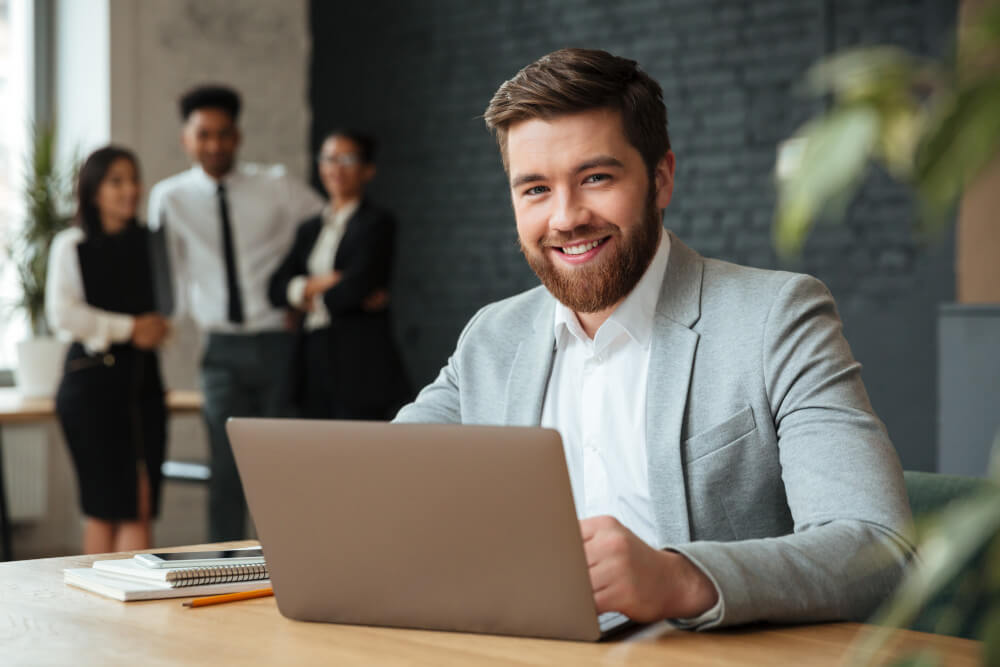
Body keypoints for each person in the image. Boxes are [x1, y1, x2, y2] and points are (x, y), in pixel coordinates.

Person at [394, 48, 916, 629]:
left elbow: (879, 550)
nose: (565, 217)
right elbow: (378, 484)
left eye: (595, 178)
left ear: (660, 179)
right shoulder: (492, 337)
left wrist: (678, 579)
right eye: (535, 189)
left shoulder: (776, 318)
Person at [147, 85, 325, 541]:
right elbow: (165, 274)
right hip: (219, 348)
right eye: (204, 134)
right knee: (224, 473)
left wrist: (303, 293)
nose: (214, 145)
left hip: (277, 342)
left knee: (281, 468)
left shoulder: (276, 185)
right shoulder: (170, 198)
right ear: (186, 139)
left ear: (238, 137)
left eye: (224, 134)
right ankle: (222, 571)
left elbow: (328, 227)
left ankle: (293, 566)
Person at [46, 146, 169, 554]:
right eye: (116, 181)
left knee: (141, 502)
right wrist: (129, 328)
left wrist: (158, 328)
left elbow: (169, 308)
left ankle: (133, 610)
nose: (130, 189)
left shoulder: (150, 242)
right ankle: (97, 612)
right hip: (92, 385)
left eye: (134, 179)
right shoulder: (73, 243)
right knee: (106, 505)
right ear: (93, 190)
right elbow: (62, 313)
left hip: (143, 383)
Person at [268, 130, 410, 420]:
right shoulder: (309, 229)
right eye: (329, 159)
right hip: (312, 357)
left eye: (347, 159)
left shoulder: (377, 223)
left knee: (360, 454)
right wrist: (319, 285)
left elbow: (355, 288)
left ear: (368, 170)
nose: (336, 168)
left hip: (360, 361)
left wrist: (305, 299)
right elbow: (273, 289)